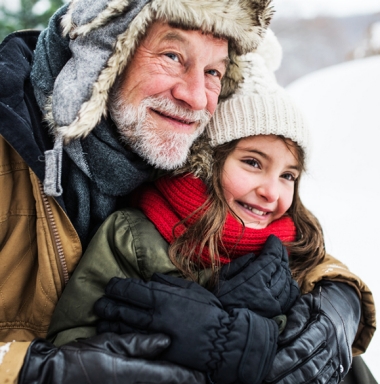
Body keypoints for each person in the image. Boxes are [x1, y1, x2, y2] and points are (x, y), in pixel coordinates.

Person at [47, 42, 376, 383]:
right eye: (252, 162)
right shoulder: (135, 237)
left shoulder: (295, 248)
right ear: (207, 161)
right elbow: (73, 344)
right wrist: (201, 338)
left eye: (288, 176)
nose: (271, 191)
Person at [0, 0, 276, 382]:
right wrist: (35, 370)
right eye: (173, 55)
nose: (196, 98)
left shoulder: (195, 157)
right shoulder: (8, 145)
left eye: (213, 71)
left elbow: (289, 225)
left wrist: (335, 304)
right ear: (107, 52)